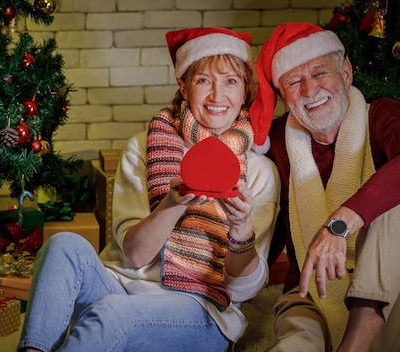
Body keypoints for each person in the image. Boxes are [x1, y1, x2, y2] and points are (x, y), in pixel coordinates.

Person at [16, 27, 280, 352]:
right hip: (119, 287)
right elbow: (136, 255)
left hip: (201, 309)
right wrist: (173, 202)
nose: (216, 95)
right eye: (203, 81)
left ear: (245, 91)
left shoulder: (258, 171)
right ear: (183, 86)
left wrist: (241, 230)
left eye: (230, 81)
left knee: (112, 314)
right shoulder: (144, 147)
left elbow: (245, 290)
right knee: (63, 245)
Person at [249, 22, 400, 352]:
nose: (309, 90)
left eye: (320, 73)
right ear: (283, 96)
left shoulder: (382, 115)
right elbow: (268, 230)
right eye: (294, 81)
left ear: (346, 73)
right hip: (311, 297)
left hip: (394, 299)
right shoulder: (278, 141)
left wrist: (339, 226)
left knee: (399, 202)